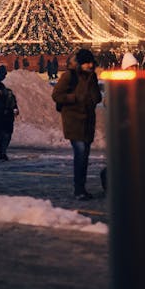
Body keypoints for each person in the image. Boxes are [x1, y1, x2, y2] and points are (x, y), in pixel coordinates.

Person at [52, 48, 102, 200]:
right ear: (80, 63)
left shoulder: (92, 77)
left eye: (91, 62)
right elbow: (56, 95)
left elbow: (97, 97)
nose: (90, 66)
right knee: (80, 154)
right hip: (74, 121)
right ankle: (79, 189)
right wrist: (74, 98)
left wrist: (93, 98)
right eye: (87, 63)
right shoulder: (70, 76)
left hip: (87, 122)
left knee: (84, 156)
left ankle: (81, 188)